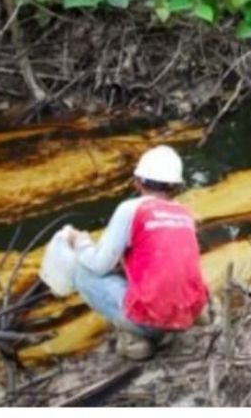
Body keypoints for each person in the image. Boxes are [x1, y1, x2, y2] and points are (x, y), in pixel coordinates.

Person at [68, 145, 209, 360]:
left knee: (82, 273)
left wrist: (81, 243)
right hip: (187, 316)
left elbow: (99, 264)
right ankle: (186, 320)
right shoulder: (185, 213)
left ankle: (136, 338)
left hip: (151, 321)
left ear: (137, 182)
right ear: (176, 187)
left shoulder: (131, 209)